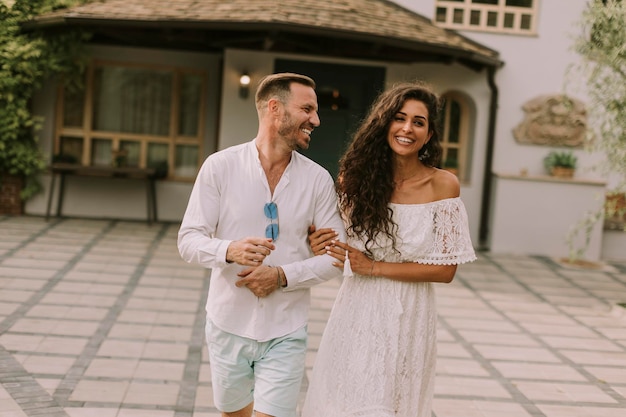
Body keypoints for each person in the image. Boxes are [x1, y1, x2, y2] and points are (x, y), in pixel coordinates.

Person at [302, 82, 477, 417]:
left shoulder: (443, 184)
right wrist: (318, 244)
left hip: (411, 313)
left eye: (419, 122)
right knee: (345, 402)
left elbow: (446, 270)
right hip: (357, 311)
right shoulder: (353, 180)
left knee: (394, 405)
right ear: (384, 123)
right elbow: (337, 247)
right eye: (399, 118)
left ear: (429, 134)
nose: (407, 128)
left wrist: (374, 268)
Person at [177, 73, 346, 417]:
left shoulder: (317, 179)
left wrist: (282, 275)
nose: (316, 119)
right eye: (307, 109)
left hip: (286, 327)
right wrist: (229, 250)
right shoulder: (220, 167)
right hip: (227, 322)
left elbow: (336, 257)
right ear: (275, 108)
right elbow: (188, 240)